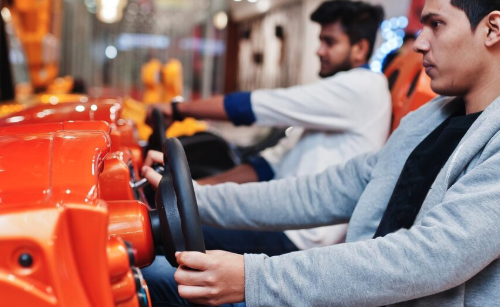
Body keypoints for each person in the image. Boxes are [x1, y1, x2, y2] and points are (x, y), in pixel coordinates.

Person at [141, 0, 500, 306]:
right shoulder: (429, 120)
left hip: (339, 282)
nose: (419, 43)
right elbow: (321, 191)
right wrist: (198, 200)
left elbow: (427, 257)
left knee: (156, 278)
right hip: (347, 291)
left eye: (436, 25)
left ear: (492, 29)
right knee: (150, 276)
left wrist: (255, 278)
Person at [147, 0, 391, 259]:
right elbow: (267, 165)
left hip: (301, 239)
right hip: (279, 219)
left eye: (329, 42)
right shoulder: (335, 102)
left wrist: (177, 110)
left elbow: (256, 106)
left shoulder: (364, 88)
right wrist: (193, 190)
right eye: (320, 40)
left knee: (157, 236)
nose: (319, 50)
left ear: (360, 48)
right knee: (161, 226)